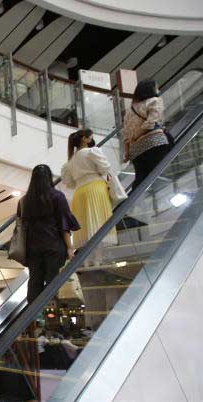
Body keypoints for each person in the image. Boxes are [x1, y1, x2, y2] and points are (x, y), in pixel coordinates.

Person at [18, 164, 80, 304]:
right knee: (52, 284)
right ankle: (50, 312)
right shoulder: (57, 196)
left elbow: (22, 225)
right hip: (53, 246)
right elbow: (63, 225)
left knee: (34, 282)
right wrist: (70, 247)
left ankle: (31, 317)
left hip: (32, 248)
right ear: (49, 178)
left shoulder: (24, 201)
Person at [62, 129, 118, 265]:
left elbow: (69, 183)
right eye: (90, 137)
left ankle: (86, 260)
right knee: (98, 223)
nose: (92, 140)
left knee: (85, 225)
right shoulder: (92, 152)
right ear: (84, 139)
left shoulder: (69, 162)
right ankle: (98, 258)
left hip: (80, 192)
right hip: (96, 187)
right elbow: (105, 168)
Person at [122, 79, 171, 191]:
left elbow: (125, 135)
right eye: (156, 87)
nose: (158, 90)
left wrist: (127, 151)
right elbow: (151, 122)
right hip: (154, 143)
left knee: (140, 179)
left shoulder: (130, 109)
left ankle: (132, 203)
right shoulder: (154, 101)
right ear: (151, 89)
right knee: (158, 174)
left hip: (136, 150)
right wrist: (142, 133)